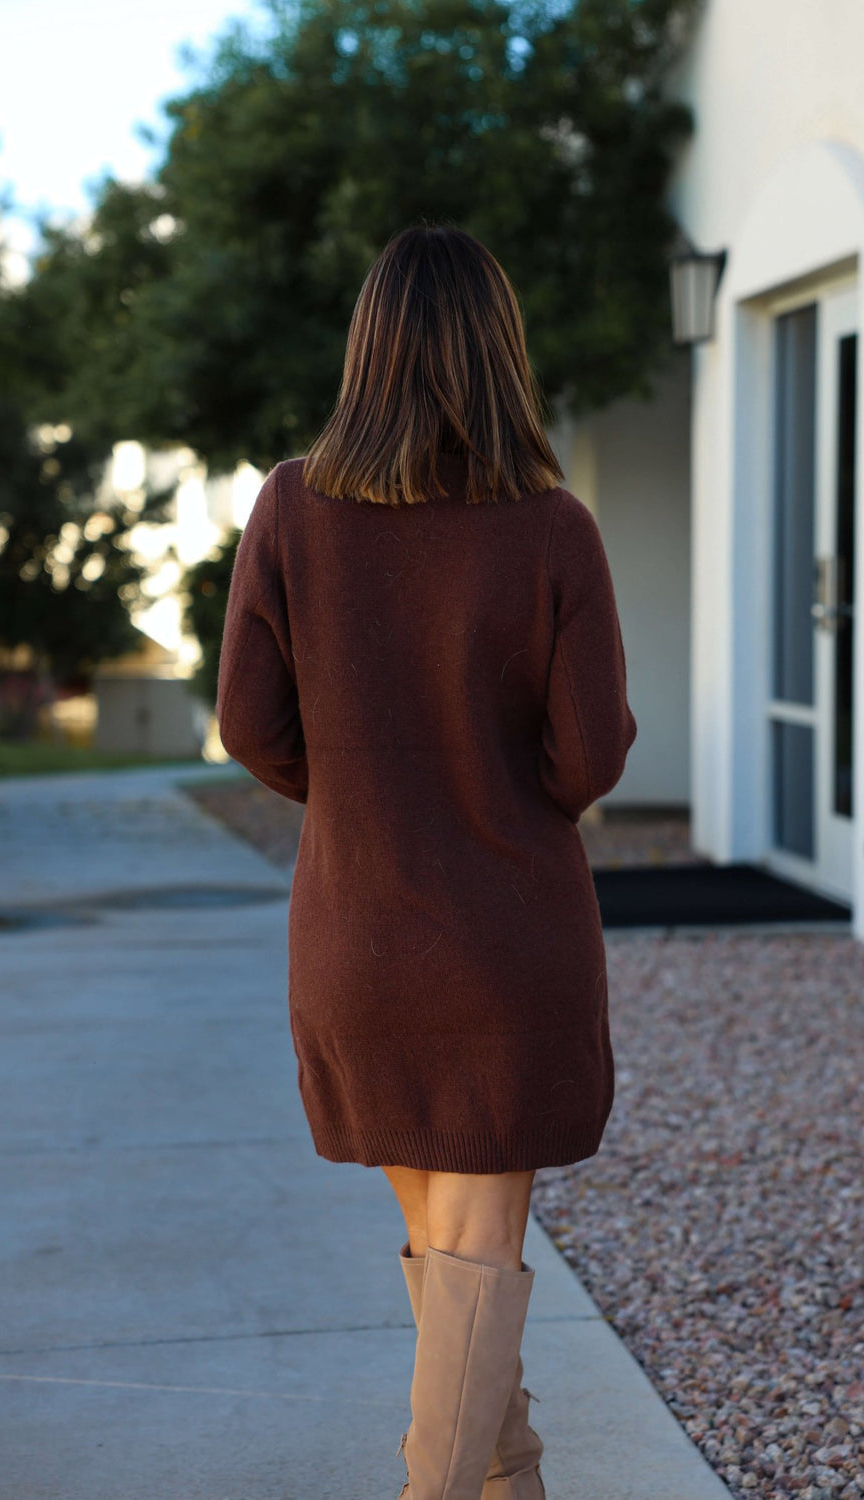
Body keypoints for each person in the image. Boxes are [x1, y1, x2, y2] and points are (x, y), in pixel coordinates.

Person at [215, 223, 638, 1500]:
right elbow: (585, 762)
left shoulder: (291, 506)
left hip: (357, 943)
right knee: (472, 1259)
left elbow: (250, 726)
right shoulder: (551, 526)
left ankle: (509, 1481)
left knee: (453, 1265)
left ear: (369, 350)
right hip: (503, 952)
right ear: (499, 354)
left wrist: (362, 785)